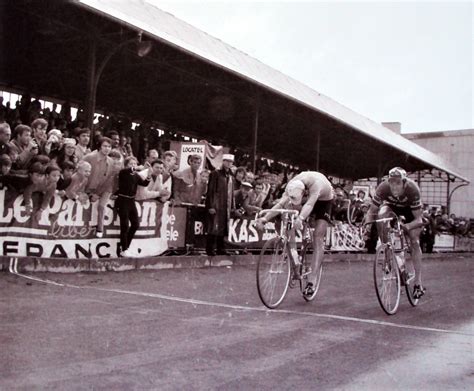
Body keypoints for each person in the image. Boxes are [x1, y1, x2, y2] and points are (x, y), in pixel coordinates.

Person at [255, 170, 334, 297]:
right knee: (288, 218)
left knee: (318, 236)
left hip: (324, 200)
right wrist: (265, 219)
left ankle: (312, 281)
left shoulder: (316, 184)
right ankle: (295, 259)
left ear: (303, 193)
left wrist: (301, 219)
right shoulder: (291, 185)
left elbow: (309, 204)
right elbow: (281, 204)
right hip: (304, 197)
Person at [365, 167, 426, 299]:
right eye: (392, 182)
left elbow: (419, 219)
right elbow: (372, 211)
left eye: (398, 183)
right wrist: (367, 226)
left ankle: (418, 282)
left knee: (415, 241)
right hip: (392, 208)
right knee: (381, 215)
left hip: (411, 212)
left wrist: (407, 227)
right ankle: (388, 254)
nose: (394, 186)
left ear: (404, 183)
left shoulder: (412, 189)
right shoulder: (383, 188)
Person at [114, 156, 151, 257]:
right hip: (122, 200)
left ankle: (126, 247)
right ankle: (124, 249)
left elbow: (144, 184)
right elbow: (128, 171)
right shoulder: (123, 173)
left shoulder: (136, 176)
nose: (133, 166)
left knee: (135, 224)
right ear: (126, 165)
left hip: (131, 201)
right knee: (124, 225)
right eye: (131, 164)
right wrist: (139, 167)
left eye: (135, 163)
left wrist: (149, 174)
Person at [205, 153, 235, 256]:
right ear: (223, 162)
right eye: (227, 161)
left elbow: (232, 194)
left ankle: (220, 248)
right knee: (213, 226)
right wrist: (210, 206)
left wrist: (232, 207)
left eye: (230, 162)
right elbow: (211, 190)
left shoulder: (230, 177)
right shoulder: (215, 174)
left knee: (222, 227)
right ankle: (210, 249)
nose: (229, 163)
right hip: (216, 204)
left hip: (225, 205)